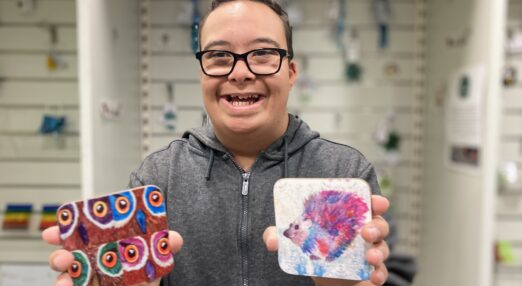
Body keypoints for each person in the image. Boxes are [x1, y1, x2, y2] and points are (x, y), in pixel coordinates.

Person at [42, 1, 391, 285]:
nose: (240, 72)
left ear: (290, 72)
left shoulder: (343, 173)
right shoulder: (158, 178)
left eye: (262, 53)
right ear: (202, 74)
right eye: (219, 56)